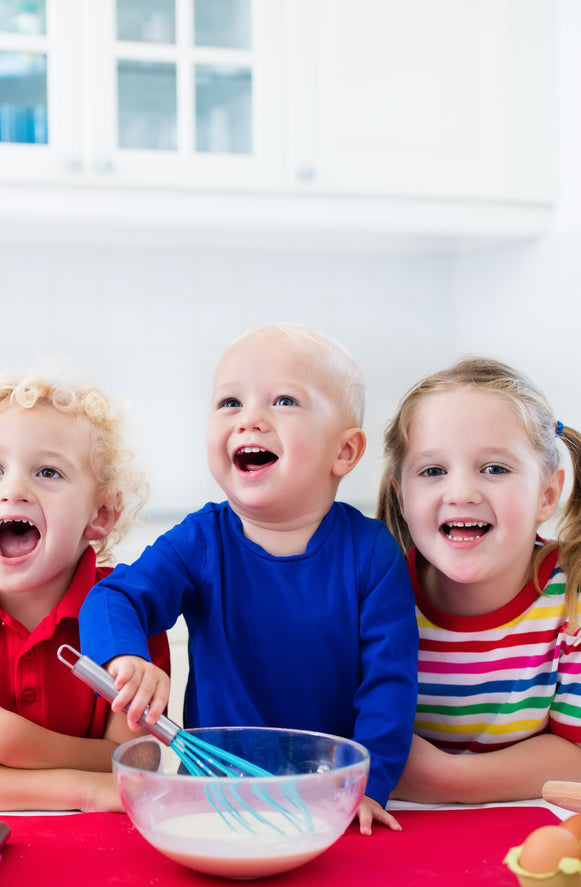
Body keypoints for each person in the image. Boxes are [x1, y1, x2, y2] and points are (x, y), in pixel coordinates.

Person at [78, 323, 418, 834]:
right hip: (214, 795)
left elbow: (389, 689)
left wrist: (368, 788)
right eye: (230, 403)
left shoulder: (373, 555)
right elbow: (114, 597)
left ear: (344, 452)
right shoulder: (200, 542)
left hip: (325, 800)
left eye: (283, 401)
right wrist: (126, 656)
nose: (250, 419)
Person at [376, 356, 581, 804]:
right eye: (433, 471)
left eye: (494, 469)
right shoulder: (370, 590)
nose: (462, 493)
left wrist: (443, 777)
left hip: (530, 822)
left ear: (547, 494)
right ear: (403, 494)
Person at [0, 371, 170, 811]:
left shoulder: (130, 615)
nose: (14, 490)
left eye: (48, 471)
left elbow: (135, 763)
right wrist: (85, 789)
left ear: (100, 514)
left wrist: (6, 740)